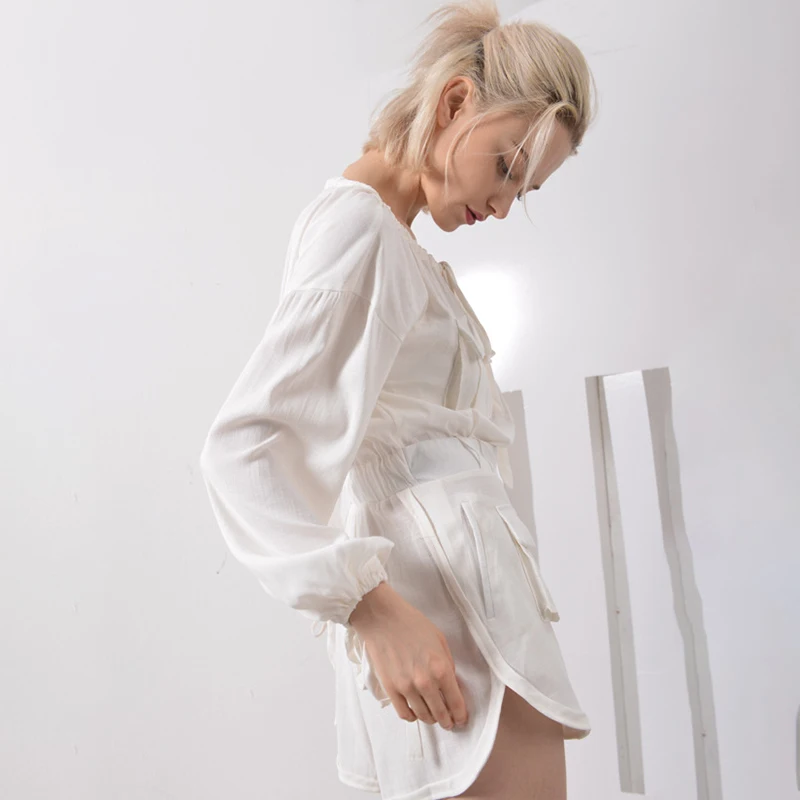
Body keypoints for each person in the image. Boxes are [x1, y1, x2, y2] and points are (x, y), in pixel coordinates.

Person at [199, 1, 598, 797]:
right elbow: (244, 450)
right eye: (507, 167)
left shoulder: (391, 239)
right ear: (454, 103)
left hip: (463, 608)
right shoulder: (361, 231)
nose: (504, 205)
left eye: (525, 190)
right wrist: (369, 609)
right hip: (450, 621)